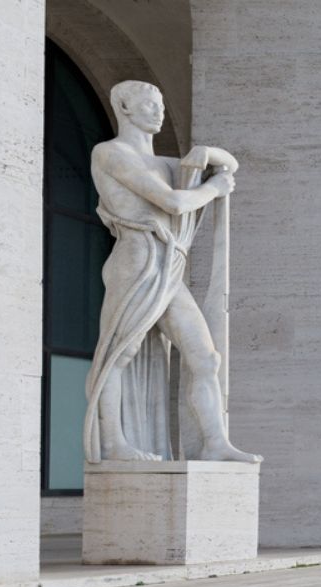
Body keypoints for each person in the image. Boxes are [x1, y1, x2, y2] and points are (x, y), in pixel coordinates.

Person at [84, 80, 260, 463]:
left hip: (169, 264)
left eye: (161, 104)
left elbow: (229, 163)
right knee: (120, 351)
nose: (158, 111)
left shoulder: (165, 164)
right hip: (137, 258)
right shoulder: (110, 153)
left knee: (205, 357)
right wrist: (213, 189)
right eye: (149, 104)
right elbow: (174, 203)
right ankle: (114, 443)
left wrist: (208, 153)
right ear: (125, 107)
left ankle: (215, 442)